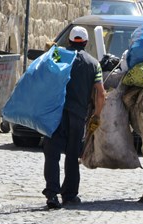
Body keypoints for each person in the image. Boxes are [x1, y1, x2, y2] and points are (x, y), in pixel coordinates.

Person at [42, 26, 106, 209]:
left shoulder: (59, 56)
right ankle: (69, 195)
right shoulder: (94, 64)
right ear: (86, 43)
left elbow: (45, 72)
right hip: (78, 116)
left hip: (55, 114)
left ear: (69, 41)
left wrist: (50, 51)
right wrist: (96, 115)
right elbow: (101, 94)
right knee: (72, 155)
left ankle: (52, 194)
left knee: (52, 154)